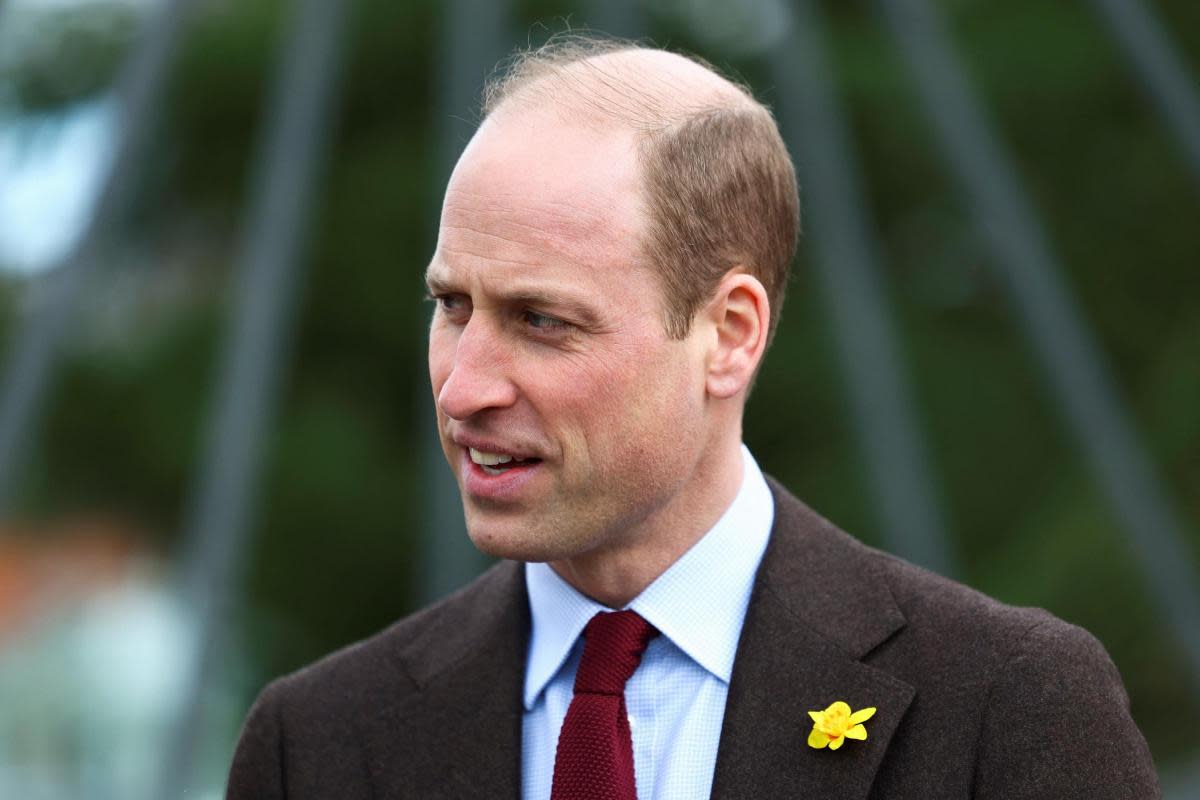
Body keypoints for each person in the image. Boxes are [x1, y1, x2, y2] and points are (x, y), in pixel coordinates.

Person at [226, 38, 1159, 799]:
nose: (465, 387)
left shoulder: (1006, 707)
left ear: (729, 334)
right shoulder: (314, 748)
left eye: (541, 321)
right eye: (453, 307)